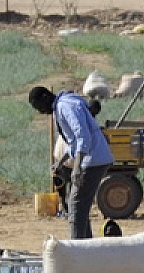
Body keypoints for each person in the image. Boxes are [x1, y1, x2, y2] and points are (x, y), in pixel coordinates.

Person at [29, 86, 113, 240]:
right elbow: (73, 142)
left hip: (92, 160)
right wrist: (60, 162)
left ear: (45, 98)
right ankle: (85, 247)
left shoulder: (65, 106)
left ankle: (77, 250)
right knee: (79, 207)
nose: (40, 112)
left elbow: (82, 136)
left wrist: (78, 167)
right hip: (94, 158)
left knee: (74, 206)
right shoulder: (63, 106)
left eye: (38, 107)